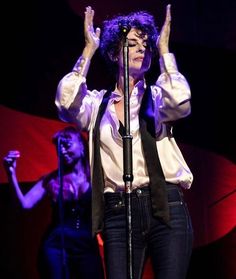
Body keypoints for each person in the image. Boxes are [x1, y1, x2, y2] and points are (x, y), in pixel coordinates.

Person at [55, 4, 194, 279]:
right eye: (132, 43)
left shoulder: (157, 97)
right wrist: (88, 51)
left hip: (165, 205)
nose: (143, 48)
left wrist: (165, 51)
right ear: (113, 53)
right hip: (117, 212)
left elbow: (180, 102)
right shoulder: (96, 105)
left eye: (146, 44)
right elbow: (65, 102)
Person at [3, 126, 104, 279]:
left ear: (82, 146)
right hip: (57, 246)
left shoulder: (97, 178)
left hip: (87, 246)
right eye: (59, 147)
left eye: (67, 144)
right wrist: (11, 174)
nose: (62, 150)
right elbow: (25, 204)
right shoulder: (51, 180)